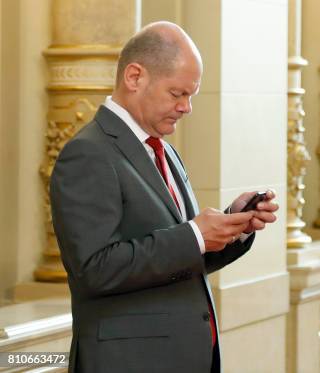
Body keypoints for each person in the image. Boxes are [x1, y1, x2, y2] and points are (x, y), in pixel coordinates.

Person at [50, 21, 278, 373]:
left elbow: (181, 261)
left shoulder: (166, 152)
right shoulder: (87, 153)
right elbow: (93, 270)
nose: (186, 107)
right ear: (135, 77)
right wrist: (196, 235)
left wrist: (234, 227)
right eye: (177, 94)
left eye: (191, 95)